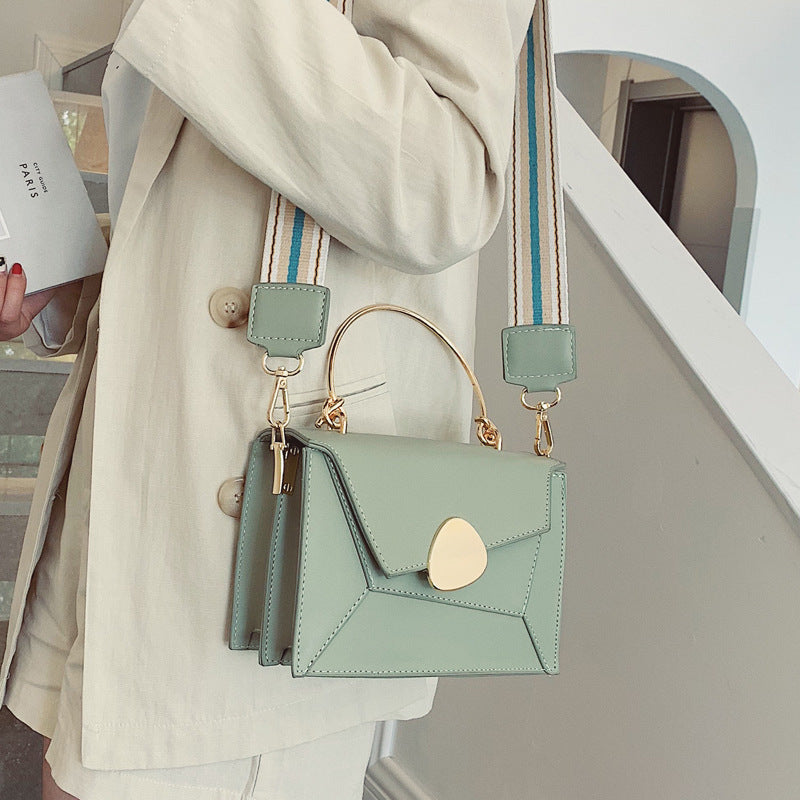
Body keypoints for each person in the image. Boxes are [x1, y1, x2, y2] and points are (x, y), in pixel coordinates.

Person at [0, 0, 537, 796]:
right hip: (132, 501)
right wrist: (72, 281)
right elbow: (213, 212)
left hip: (259, 546)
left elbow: (440, 186)